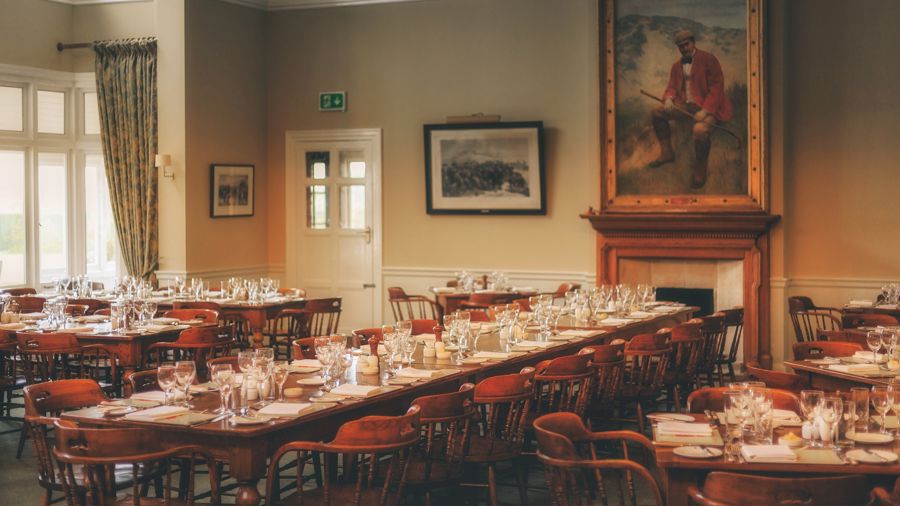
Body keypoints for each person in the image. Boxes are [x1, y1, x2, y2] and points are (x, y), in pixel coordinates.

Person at [648, 30, 732, 189]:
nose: (684, 48)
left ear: (693, 43)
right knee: (657, 111)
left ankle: (700, 168)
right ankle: (667, 153)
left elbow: (717, 88)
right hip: (686, 105)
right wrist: (669, 99)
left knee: (700, 130)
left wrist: (705, 111)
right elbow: (671, 87)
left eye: (686, 44)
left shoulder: (709, 59)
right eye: (681, 47)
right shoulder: (676, 66)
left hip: (709, 106)